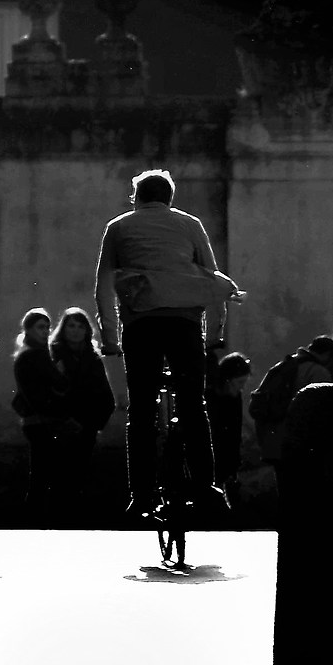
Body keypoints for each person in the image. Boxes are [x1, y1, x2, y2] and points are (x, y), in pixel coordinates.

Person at [90, 168, 239, 522]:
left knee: (141, 410)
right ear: (170, 198)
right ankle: (206, 486)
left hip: (141, 325)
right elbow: (212, 281)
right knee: (192, 405)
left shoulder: (119, 227)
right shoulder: (190, 225)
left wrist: (110, 340)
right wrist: (216, 333)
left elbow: (103, 287)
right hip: (185, 324)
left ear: (136, 197)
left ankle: (140, 495)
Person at [52, 307, 117, 517]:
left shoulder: (93, 358)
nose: (75, 331)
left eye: (80, 326)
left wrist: (92, 424)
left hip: (86, 427)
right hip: (58, 425)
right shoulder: (53, 355)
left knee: (80, 473)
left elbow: (106, 398)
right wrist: (63, 419)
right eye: (71, 325)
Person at [10, 308, 74, 521]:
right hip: (42, 420)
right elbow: (52, 386)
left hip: (37, 419)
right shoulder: (33, 355)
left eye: (47, 327)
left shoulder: (36, 354)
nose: (46, 331)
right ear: (28, 329)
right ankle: (39, 514)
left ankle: (37, 512)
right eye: (40, 327)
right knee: (45, 469)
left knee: (42, 469)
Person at [248, 334, 333, 466]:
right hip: (297, 443)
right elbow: (321, 411)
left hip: (271, 439)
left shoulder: (285, 365)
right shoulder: (318, 372)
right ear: (327, 354)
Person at [208, 350, 253, 503]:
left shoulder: (234, 397)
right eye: (240, 382)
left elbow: (235, 429)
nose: (241, 388)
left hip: (226, 455)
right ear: (228, 379)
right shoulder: (210, 396)